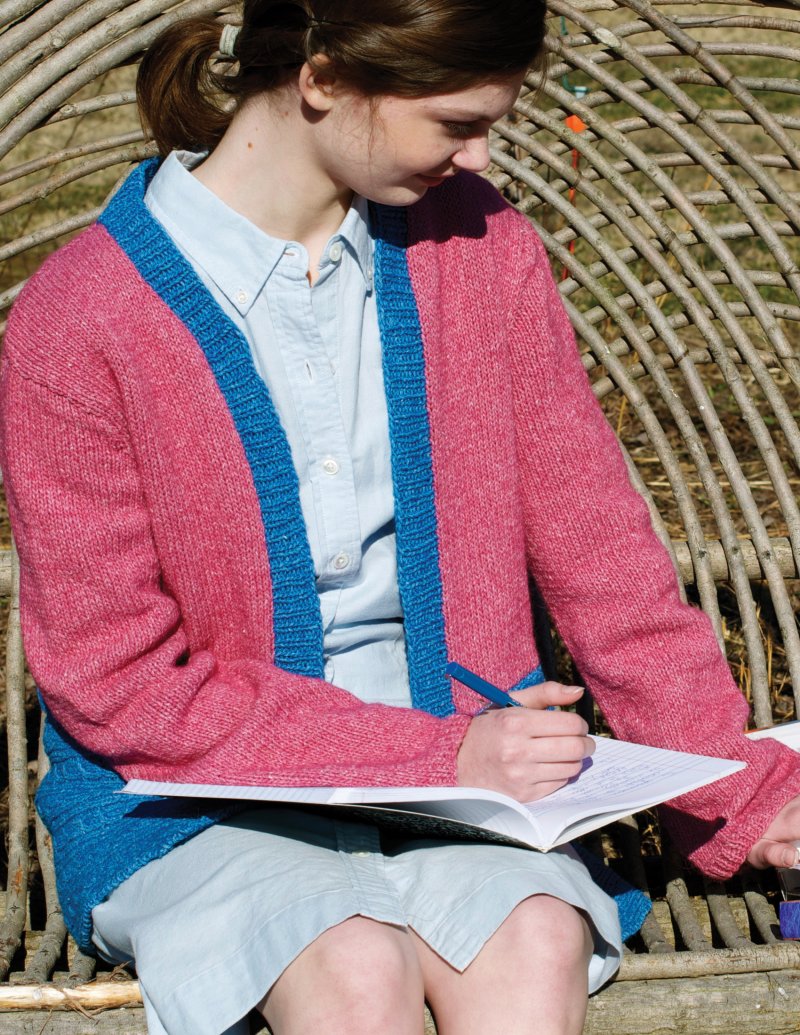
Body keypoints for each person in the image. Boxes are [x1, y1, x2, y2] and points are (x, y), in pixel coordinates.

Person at [2, 2, 800, 1033]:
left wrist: (738, 794)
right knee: (350, 967)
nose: (479, 156)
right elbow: (118, 685)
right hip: (190, 798)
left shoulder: (479, 246)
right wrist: (437, 756)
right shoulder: (79, 322)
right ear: (324, 79)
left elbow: (604, 562)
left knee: (534, 937)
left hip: (478, 784)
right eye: (456, 124)